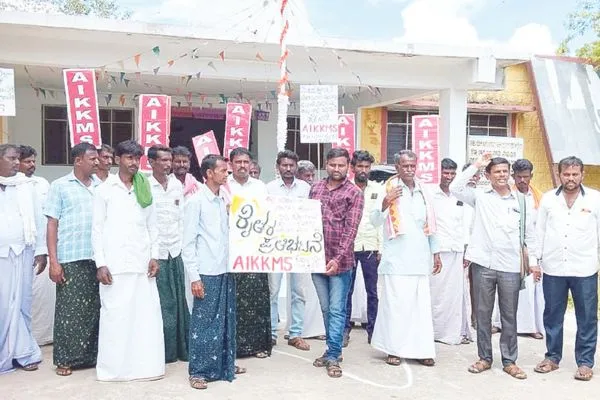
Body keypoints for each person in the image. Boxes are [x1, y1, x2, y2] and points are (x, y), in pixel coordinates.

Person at [451, 153, 537, 380]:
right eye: (496, 171)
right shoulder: (480, 196)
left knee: (509, 315)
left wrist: (534, 263)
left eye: (505, 171)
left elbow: (530, 235)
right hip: (483, 264)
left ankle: (510, 361)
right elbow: (455, 187)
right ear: (488, 176)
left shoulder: (521, 200)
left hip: (510, 265)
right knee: (483, 314)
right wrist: (476, 165)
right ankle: (484, 358)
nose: (502, 175)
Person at [92, 140, 164, 382]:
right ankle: (113, 371)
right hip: (114, 265)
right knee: (115, 318)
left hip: (142, 262)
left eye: (137, 158)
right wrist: (100, 263)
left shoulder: (144, 188)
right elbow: (97, 229)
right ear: (117, 159)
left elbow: (153, 226)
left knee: (145, 318)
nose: (134, 163)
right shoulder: (104, 189)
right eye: (129, 158)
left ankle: (146, 369)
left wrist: (154, 255)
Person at [370, 150, 441, 367]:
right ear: (397, 167)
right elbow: (374, 221)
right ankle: (394, 350)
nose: (409, 170)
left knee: (420, 308)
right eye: (405, 166)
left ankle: (421, 350)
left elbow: (431, 226)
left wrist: (435, 253)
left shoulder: (424, 191)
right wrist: (385, 202)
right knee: (397, 307)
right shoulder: (388, 188)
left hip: (420, 259)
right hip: (396, 260)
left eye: (412, 165)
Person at [534, 156, 599, 382]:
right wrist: (535, 261)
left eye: (575, 174)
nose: (570, 179)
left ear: (582, 175)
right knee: (552, 315)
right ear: (559, 174)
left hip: (585, 269)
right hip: (553, 268)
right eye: (566, 174)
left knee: (587, 317)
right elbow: (539, 231)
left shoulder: (595, 199)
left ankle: (585, 363)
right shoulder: (548, 200)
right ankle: (552, 357)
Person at [182, 154, 244, 390]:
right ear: (208, 173)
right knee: (203, 323)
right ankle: (198, 371)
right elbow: (187, 244)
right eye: (222, 170)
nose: (226, 174)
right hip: (206, 271)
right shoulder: (195, 202)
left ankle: (223, 364)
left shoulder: (225, 199)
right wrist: (194, 277)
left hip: (225, 269)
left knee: (225, 321)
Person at [45, 143, 102, 376]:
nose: (97, 162)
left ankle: (91, 356)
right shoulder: (60, 186)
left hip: (97, 257)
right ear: (78, 160)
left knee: (95, 309)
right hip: (70, 257)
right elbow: (52, 224)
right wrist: (54, 261)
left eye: (97, 158)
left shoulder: (101, 187)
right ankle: (65, 359)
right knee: (70, 311)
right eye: (92, 159)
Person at [309, 148, 364, 378]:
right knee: (325, 307)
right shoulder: (315, 188)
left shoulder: (354, 193)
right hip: (315, 259)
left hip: (340, 263)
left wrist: (337, 258)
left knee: (337, 309)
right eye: (333, 164)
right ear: (326, 164)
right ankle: (332, 348)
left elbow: (351, 230)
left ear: (348, 166)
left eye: (341, 165)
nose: (337, 169)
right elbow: (305, 221)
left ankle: (333, 355)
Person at [0, 144, 47, 374]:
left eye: (18, 159)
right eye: (11, 158)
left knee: (22, 305)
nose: (16, 163)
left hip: (23, 252)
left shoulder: (26, 186)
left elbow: (38, 219)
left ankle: (24, 353)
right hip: (1, 256)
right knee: (2, 307)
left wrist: (41, 250)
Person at [224, 147, 272, 359]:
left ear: (251, 164)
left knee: (258, 296)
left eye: (246, 162)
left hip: (255, 248)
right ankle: (234, 345)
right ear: (231, 164)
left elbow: (268, 213)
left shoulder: (260, 186)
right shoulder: (224, 186)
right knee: (235, 296)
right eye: (238, 162)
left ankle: (258, 345)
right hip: (231, 247)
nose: (242, 166)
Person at [492, 159, 545, 339]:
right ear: (513, 176)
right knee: (509, 290)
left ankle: (531, 326)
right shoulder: (507, 196)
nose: (522, 180)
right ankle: (501, 324)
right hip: (510, 249)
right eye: (519, 177)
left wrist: (534, 255)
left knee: (531, 289)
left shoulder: (539, 197)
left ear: (531, 176)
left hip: (533, 248)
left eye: (526, 177)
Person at [266, 150, 311, 351]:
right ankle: (272, 333)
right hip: (275, 245)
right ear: (278, 167)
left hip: (299, 246)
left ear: (296, 167)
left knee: (299, 291)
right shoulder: (269, 188)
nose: (288, 169)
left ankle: (296, 333)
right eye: (284, 165)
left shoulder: (305, 188)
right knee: (272, 290)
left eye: (291, 165)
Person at [148, 146, 189, 363]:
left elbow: (181, 217)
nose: (167, 164)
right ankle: (163, 352)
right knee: (162, 303)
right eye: (162, 160)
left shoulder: (175, 184)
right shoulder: (144, 184)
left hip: (175, 250)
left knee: (178, 300)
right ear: (151, 162)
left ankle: (181, 348)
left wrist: (182, 246)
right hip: (156, 254)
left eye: (169, 160)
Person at [430, 158, 472, 345]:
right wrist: (433, 249)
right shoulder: (431, 194)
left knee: (456, 294)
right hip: (438, 250)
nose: (448, 177)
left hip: (458, 250)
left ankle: (454, 332)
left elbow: (466, 223)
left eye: (452, 173)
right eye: (445, 173)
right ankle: (434, 331)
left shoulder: (460, 195)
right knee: (437, 293)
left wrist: (466, 248)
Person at [344, 150, 383, 347]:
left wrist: (381, 248)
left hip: (371, 247)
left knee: (373, 292)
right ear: (352, 168)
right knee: (346, 291)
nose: (363, 170)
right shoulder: (345, 188)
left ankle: (373, 332)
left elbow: (381, 220)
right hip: (348, 246)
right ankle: (344, 330)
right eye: (360, 166)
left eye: (367, 167)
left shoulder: (378, 189)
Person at [18, 145, 54, 346]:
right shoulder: (10, 186)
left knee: (43, 295)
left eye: (33, 161)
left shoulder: (41, 184)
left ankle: (42, 337)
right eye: (27, 161)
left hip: (43, 246)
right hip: (19, 248)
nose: (32, 165)